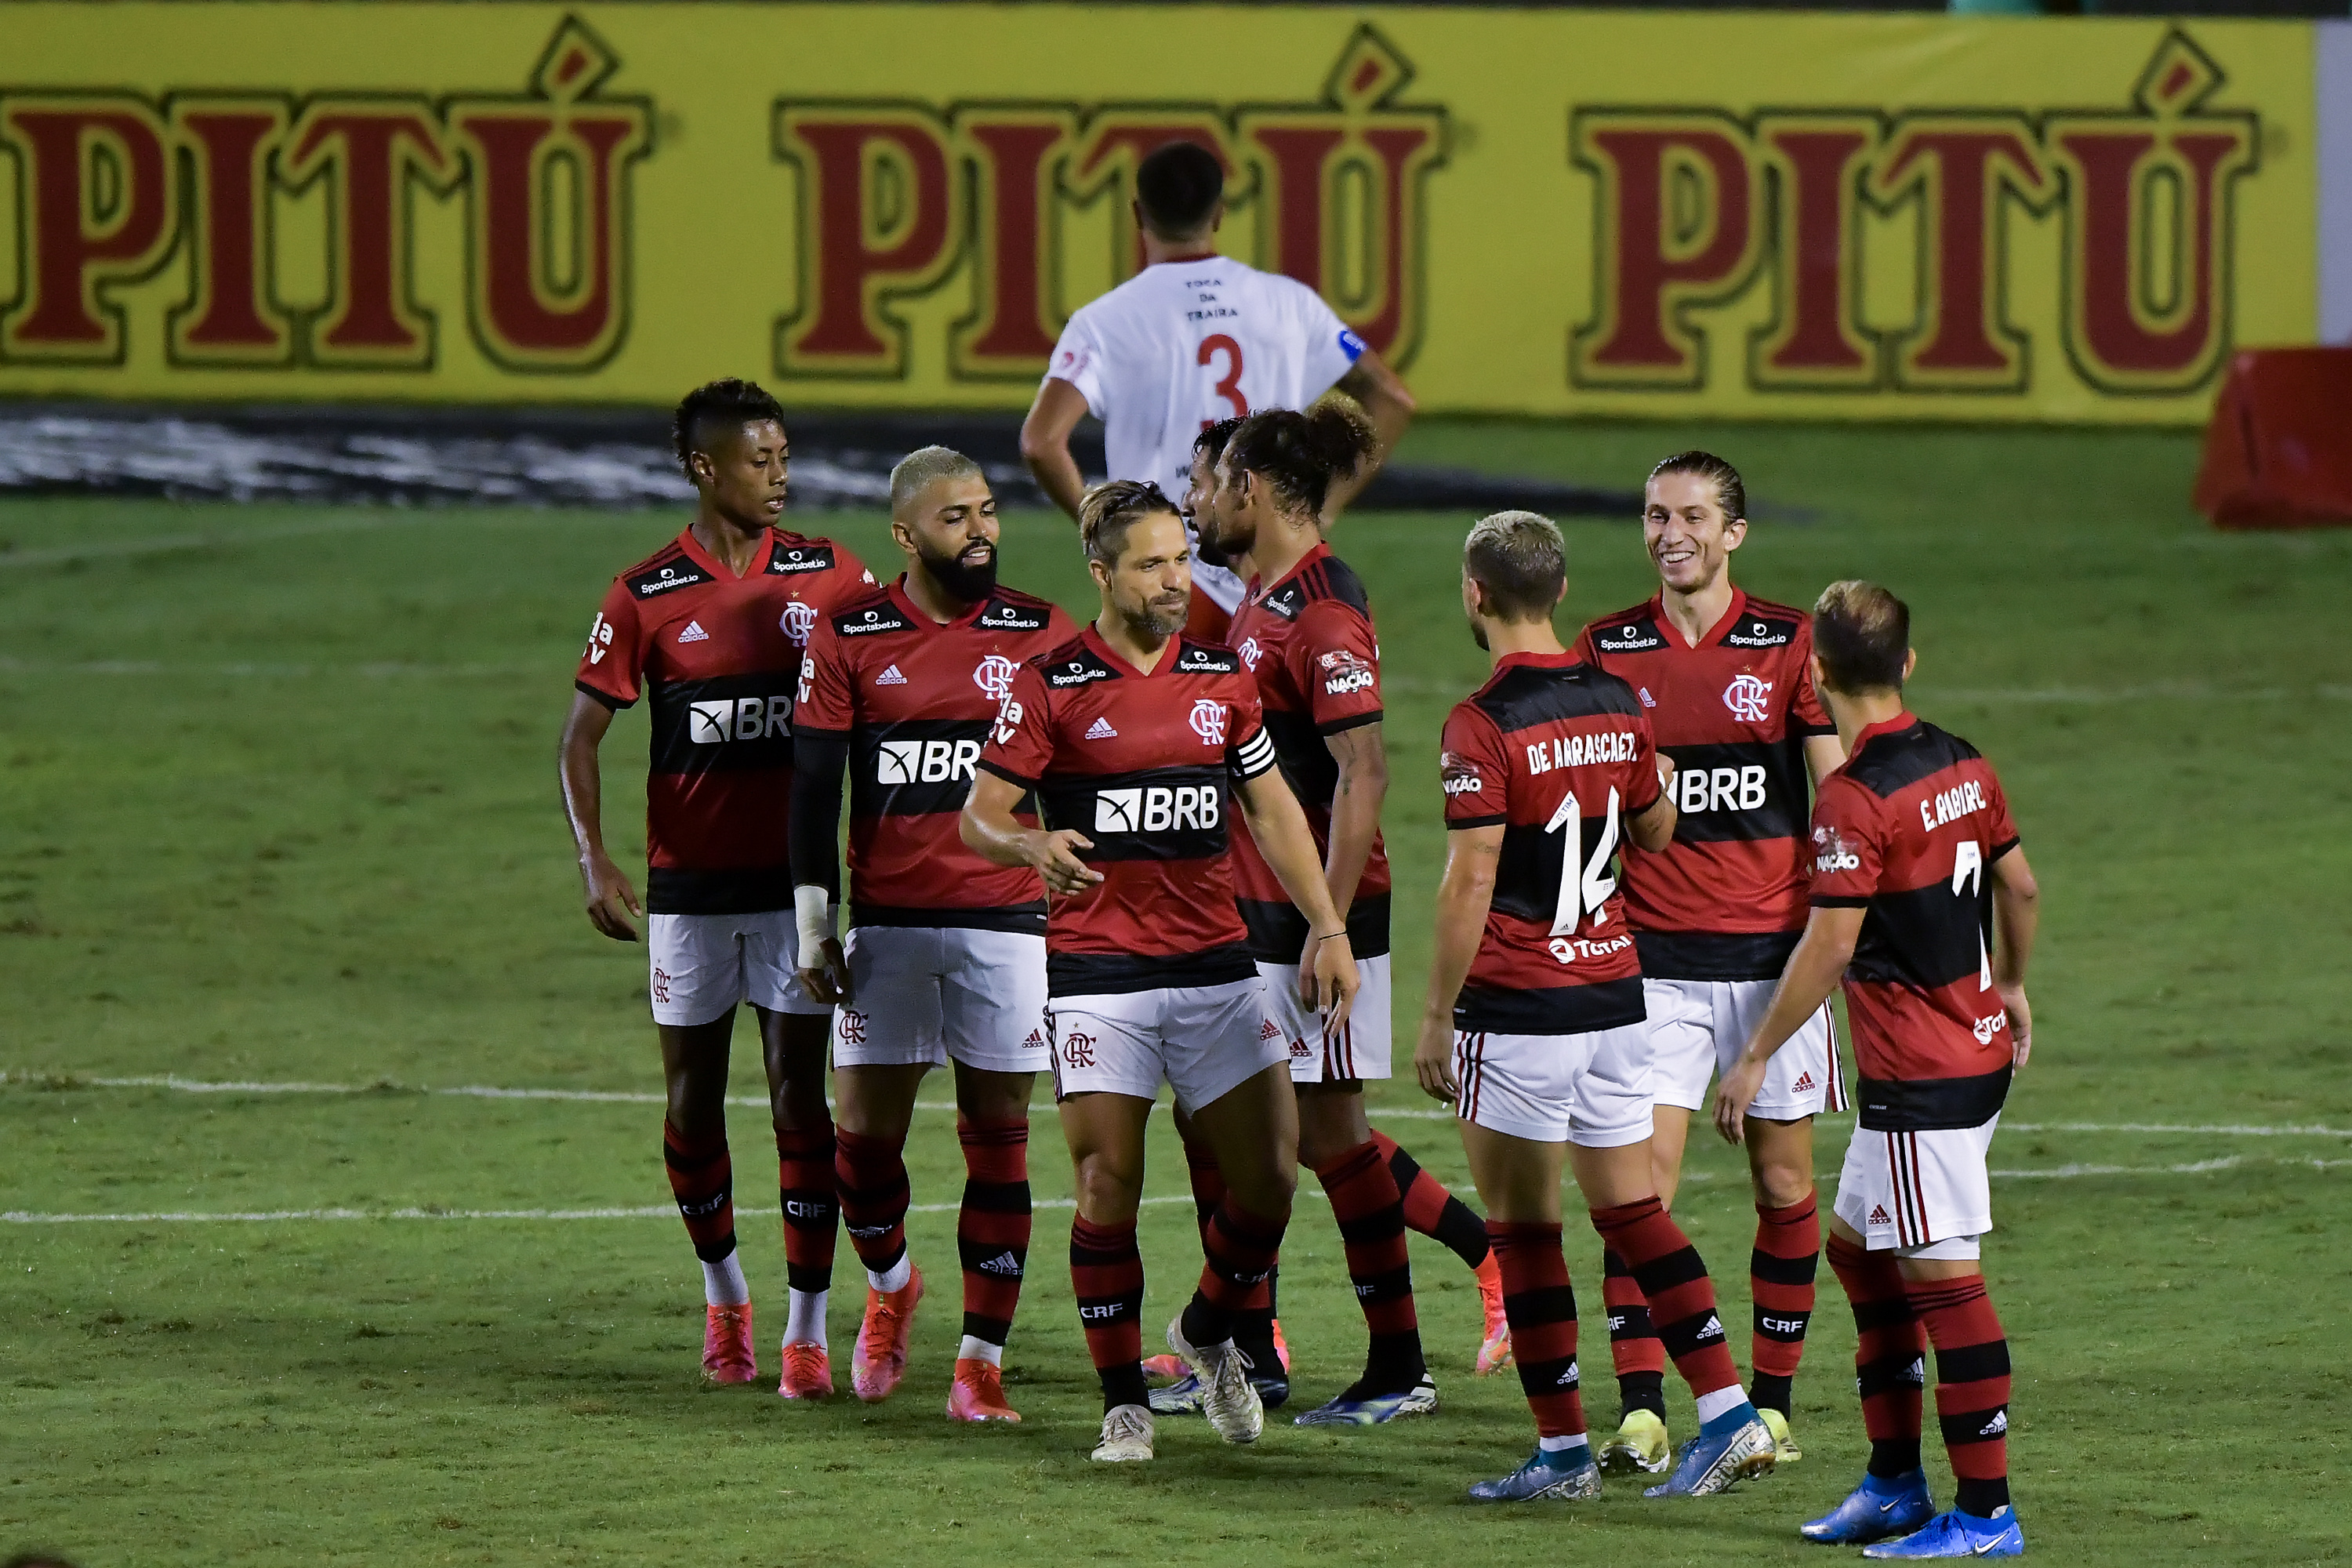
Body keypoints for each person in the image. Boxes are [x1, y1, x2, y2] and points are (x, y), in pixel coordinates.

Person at [960, 480, 1360, 1464]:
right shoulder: (1050, 684)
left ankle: (1205, 1331)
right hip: (1102, 974)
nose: (1178, 580)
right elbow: (978, 812)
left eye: (1183, 560)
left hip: (1216, 967)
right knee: (1107, 1182)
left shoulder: (1223, 678)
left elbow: (1271, 810)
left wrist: (1327, 924)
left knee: (1268, 1180)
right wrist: (1028, 846)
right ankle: (1122, 1406)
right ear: (1101, 573)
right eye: (1153, 564)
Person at [1414, 510, 1777, 1504]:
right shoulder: (1620, 698)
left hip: (1523, 1004)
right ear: (1561, 591)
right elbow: (1657, 829)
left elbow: (1469, 879)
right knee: (1632, 1212)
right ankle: (1731, 1412)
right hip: (1618, 993)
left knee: (1525, 1233)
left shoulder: (1481, 720)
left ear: (1475, 593)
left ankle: (1564, 1454)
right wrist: (1646, 776)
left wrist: (1440, 1012)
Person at [1187, 404, 1508, 1427]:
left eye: (1218, 481)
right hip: (1269, 908)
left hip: (1314, 918)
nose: (1205, 500)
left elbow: (1363, 769)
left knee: (1325, 1139)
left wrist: (1326, 924)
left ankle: (1393, 1355)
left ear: (1256, 489)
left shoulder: (1321, 607)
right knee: (1319, 1140)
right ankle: (1356, 1352)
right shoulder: (1259, 599)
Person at [1709, 580, 2037, 1560]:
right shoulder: (1963, 760)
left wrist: (1757, 1051)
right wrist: (2012, 984)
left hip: (1920, 1077)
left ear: (1814, 674)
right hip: (1975, 1045)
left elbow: (1831, 945)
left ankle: (1986, 1515)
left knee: (1947, 1286)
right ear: (1907, 665)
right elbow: (2019, 883)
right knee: (1855, 1247)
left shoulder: (1853, 796)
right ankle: (1895, 1481)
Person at [559, 379, 873, 1391]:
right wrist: (595, 858)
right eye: (759, 461)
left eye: (785, 458)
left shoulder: (828, 575)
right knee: (693, 1108)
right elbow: (582, 738)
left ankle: (808, 1329)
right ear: (705, 468)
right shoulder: (647, 594)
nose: (781, 477)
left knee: (800, 1105)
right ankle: (726, 1298)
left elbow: (908, 664)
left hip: (795, 893)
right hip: (687, 893)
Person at [1571, 450, 1848, 1471]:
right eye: (1655, 515)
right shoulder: (1606, 648)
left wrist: (1842, 931)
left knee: (1783, 1184)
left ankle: (1769, 1407)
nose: (1670, 532)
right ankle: (1644, 1408)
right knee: (1638, 1187)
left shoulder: (1789, 646)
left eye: (1692, 515)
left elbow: (1838, 798)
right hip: (1650, 964)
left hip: (1775, 966)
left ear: (1735, 533)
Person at [787, 447, 1076, 1419]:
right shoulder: (851, 633)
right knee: (862, 1147)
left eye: (990, 510)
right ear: (907, 536)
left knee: (1001, 1143)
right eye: (956, 517)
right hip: (891, 927)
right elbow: (814, 791)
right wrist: (815, 927)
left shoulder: (1043, 632)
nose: (982, 529)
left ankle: (979, 1361)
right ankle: (892, 1282)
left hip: (1008, 924)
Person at [1018, 139, 1415, 640]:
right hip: (1276, 565)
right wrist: (1325, 504)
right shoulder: (1290, 304)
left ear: (1139, 214)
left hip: (1165, 573)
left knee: (1166, 718)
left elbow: (1041, 441)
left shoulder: (1105, 322)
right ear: (1220, 213)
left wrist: (1102, 527)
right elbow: (1393, 400)